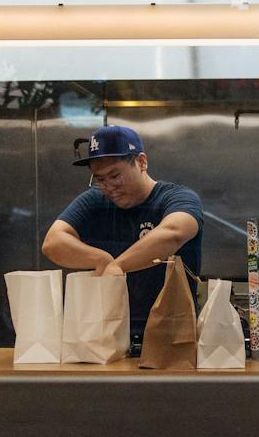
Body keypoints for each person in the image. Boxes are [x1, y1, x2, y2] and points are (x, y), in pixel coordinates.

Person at [41, 126, 204, 344]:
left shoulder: (176, 197)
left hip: (170, 339)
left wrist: (117, 266)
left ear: (142, 162)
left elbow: (173, 233)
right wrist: (100, 259)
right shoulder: (95, 200)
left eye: (115, 176)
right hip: (104, 336)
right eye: (99, 179)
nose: (108, 187)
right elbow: (53, 242)